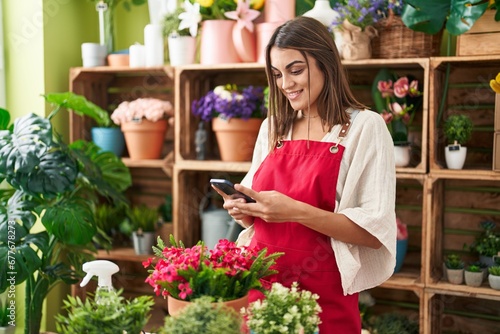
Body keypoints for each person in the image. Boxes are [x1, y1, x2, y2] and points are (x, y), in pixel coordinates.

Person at [212, 16, 397, 333]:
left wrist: (294, 211)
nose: (286, 84)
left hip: (325, 298)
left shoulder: (365, 127)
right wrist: (244, 209)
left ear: (326, 63)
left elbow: (373, 232)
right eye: (277, 74)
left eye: (296, 70)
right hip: (262, 288)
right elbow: (261, 218)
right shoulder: (273, 128)